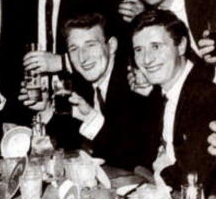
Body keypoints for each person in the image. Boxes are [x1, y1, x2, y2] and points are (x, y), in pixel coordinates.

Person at [19, 12, 154, 170]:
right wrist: (46, 108)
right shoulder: (80, 85)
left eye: (91, 45)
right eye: (74, 49)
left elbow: (133, 160)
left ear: (111, 46)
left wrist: (92, 118)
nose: (83, 57)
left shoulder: (135, 82)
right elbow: (64, 147)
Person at [130, 9, 216, 190]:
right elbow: (137, 152)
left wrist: (158, 172)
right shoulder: (161, 92)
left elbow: (193, 175)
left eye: (156, 46)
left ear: (181, 45)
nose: (147, 59)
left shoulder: (206, 95)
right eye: (139, 50)